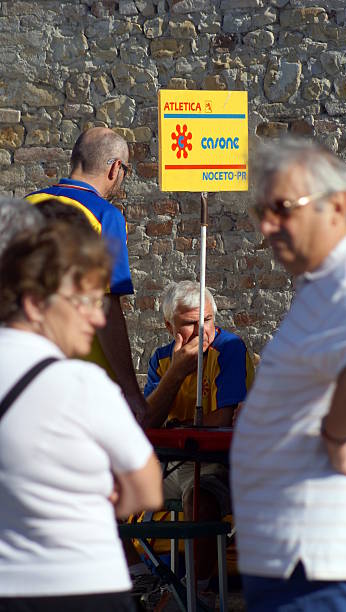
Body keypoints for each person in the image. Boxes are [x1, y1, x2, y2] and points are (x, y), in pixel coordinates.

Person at [231, 137, 346, 611]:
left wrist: (335, 433)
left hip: (318, 558)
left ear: (337, 206)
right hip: (312, 557)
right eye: (260, 212)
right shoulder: (335, 276)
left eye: (282, 209)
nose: (267, 226)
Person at [0, 222, 163, 612]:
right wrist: (94, 495)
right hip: (83, 581)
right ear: (37, 303)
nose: (97, 318)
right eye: (85, 302)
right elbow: (148, 491)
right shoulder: (83, 383)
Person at [25, 127, 146, 421]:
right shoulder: (105, 215)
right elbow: (107, 305)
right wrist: (131, 391)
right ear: (116, 168)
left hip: (24, 370)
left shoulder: (24, 206)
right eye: (125, 171)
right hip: (84, 379)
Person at [144, 280, 254, 588]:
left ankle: (198, 591)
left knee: (200, 500)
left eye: (207, 320)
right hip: (167, 463)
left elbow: (221, 418)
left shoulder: (229, 349)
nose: (202, 330)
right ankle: (139, 579)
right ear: (170, 326)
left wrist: (175, 425)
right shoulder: (162, 359)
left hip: (213, 463)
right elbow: (147, 420)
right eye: (191, 324)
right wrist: (177, 372)